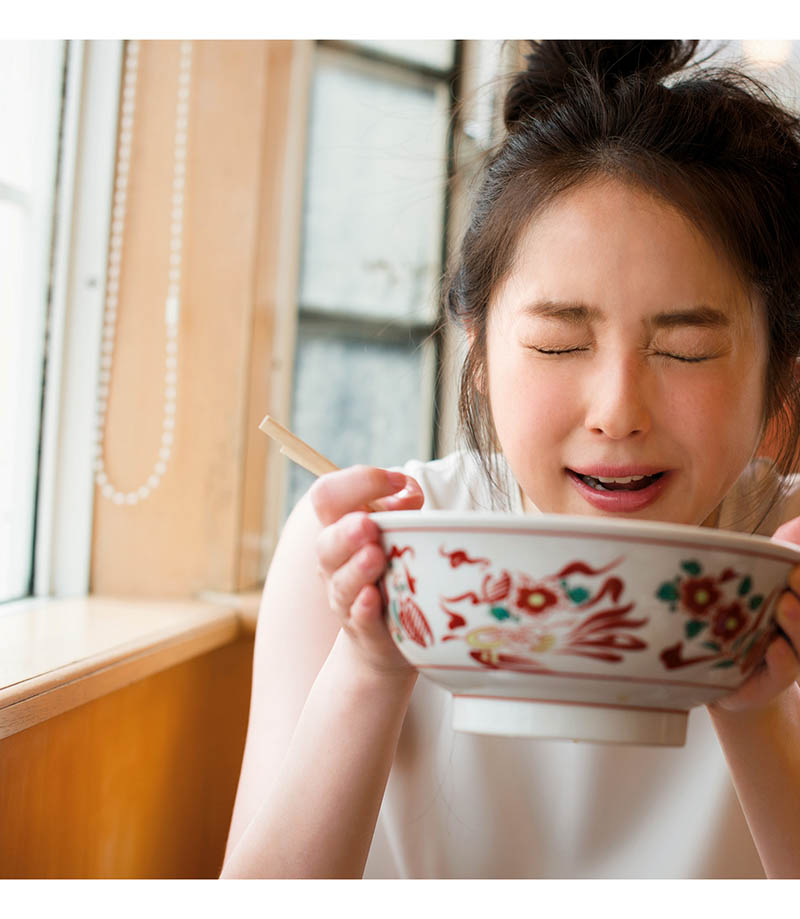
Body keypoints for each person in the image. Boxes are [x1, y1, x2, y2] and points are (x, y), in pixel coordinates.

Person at [220, 40, 800, 879]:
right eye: (561, 343)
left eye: (684, 351)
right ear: (481, 352)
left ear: (779, 371)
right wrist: (372, 659)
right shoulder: (360, 551)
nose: (617, 413)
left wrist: (754, 706)